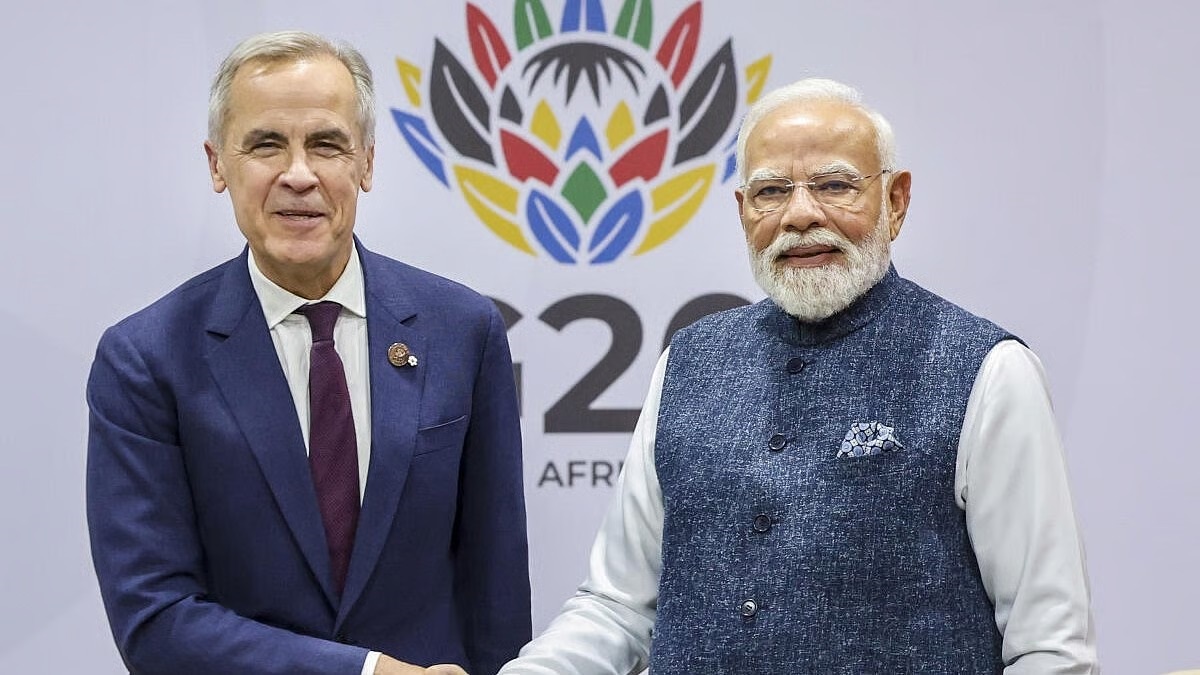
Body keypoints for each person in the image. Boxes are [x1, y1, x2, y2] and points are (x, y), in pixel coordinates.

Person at [499, 78, 1097, 673]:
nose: (801, 215)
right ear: (742, 212)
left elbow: (1049, 648)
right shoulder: (687, 362)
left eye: (835, 186)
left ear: (896, 202)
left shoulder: (988, 370)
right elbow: (618, 609)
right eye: (771, 192)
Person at [86, 31, 530, 675]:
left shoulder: (462, 330)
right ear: (217, 165)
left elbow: (496, 593)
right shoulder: (146, 360)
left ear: (366, 164)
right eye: (266, 145)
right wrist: (367, 672)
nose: (299, 174)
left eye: (326, 144)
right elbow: (155, 619)